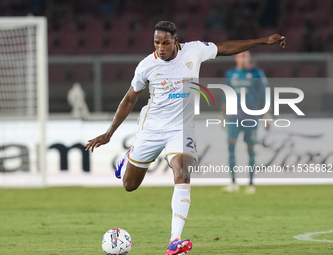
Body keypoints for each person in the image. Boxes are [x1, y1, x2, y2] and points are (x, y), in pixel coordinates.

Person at [85, 21, 285, 255]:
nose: (161, 47)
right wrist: (109, 133)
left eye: (166, 43)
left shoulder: (194, 50)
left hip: (180, 129)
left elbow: (226, 47)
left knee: (182, 173)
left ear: (175, 41)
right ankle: (131, 156)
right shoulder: (147, 66)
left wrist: (263, 41)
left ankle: (174, 240)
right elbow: (130, 98)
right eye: (157, 43)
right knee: (129, 185)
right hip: (151, 130)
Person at [221, 51, 271, 195]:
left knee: (251, 149)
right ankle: (233, 182)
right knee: (231, 146)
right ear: (236, 58)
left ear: (249, 58)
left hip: (251, 116)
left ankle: (250, 183)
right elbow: (226, 94)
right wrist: (223, 115)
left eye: (245, 56)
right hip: (233, 116)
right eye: (240, 56)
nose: (243, 59)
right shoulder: (230, 74)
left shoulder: (257, 73)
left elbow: (265, 92)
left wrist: (267, 113)